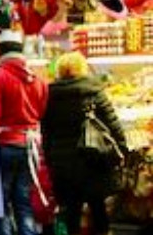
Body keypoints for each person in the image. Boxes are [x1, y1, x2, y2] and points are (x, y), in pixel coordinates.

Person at [42, 52, 126, 235]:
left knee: (71, 211)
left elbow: (46, 133)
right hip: (93, 160)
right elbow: (113, 124)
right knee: (98, 209)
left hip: (63, 164)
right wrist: (122, 150)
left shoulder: (49, 96)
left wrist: (50, 160)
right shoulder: (94, 92)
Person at [0, 30, 48, 235]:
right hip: (30, 145)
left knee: (1, 202)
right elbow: (42, 112)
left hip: (4, 145)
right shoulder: (38, 79)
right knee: (24, 199)